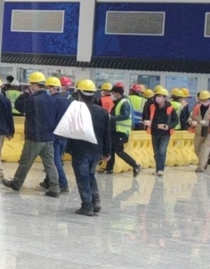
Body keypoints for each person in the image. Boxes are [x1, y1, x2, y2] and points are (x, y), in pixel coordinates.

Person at [61, 80, 112, 216]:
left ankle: (87, 206)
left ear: (79, 94)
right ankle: (96, 202)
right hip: (97, 150)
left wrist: (67, 148)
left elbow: (68, 130)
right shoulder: (102, 111)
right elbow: (107, 133)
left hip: (80, 150)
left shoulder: (75, 110)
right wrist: (107, 152)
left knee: (82, 177)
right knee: (90, 175)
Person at [5, 72, 59, 196]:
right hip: (49, 138)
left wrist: (25, 93)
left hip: (34, 138)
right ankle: (55, 189)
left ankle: (16, 183)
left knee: (25, 161)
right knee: (50, 164)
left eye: (31, 85)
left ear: (34, 85)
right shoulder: (52, 100)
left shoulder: (33, 99)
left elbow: (19, 106)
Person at [103, 85, 142, 176]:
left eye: (113, 93)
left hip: (121, 131)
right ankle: (109, 169)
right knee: (111, 149)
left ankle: (136, 165)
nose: (112, 95)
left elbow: (126, 115)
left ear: (117, 94)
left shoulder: (124, 102)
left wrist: (111, 117)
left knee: (119, 150)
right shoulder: (118, 102)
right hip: (115, 130)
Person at [46, 77, 72, 194]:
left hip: (55, 134)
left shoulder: (51, 101)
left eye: (48, 87)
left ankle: (63, 184)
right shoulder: (66, 101)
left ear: (53, 88)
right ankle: (48, 180)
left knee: (55, 160)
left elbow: (50, 118)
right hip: (64, 134)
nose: (47, 89)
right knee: (56, 158)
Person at [145, 86, 177, 176]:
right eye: (157, 96)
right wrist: (151, 124)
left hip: (165, 133)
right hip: (154, 132)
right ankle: (157, 169)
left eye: (160, 96)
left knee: (162, 151)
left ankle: (160, 169)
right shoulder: (152, 107)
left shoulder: (170, 108)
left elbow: (175, 120)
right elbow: (148, 118)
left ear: (164, 98)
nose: (158, 98)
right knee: (156, 152)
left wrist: (168, 126)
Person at [189, 90, 210, 173]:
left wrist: (208, 123)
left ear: (209, 99)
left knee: (205, 150)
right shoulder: (197, 107)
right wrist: (190, 121)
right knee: (196, 149)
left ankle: (200, 167)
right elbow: (191, 117)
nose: (203, 101)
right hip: (198, 131)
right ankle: (204, 162)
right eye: (202, 100)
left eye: (205, 100)